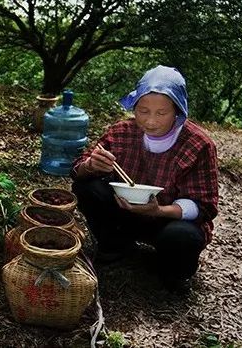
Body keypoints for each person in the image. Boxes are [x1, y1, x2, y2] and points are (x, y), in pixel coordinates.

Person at [71, 66, 218, 291]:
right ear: (134, 106)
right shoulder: (122, 132)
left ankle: (174, 271)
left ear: (178, 111)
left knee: (183, 235)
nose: (150, 121)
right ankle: (116, 245)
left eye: (161, 113)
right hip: (124, 213)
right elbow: (78, 168)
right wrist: (91, 166)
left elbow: (203, 205)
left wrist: (158, 211)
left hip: (167, 221)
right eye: (143, 110)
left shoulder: (198, 144)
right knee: (87, 186)